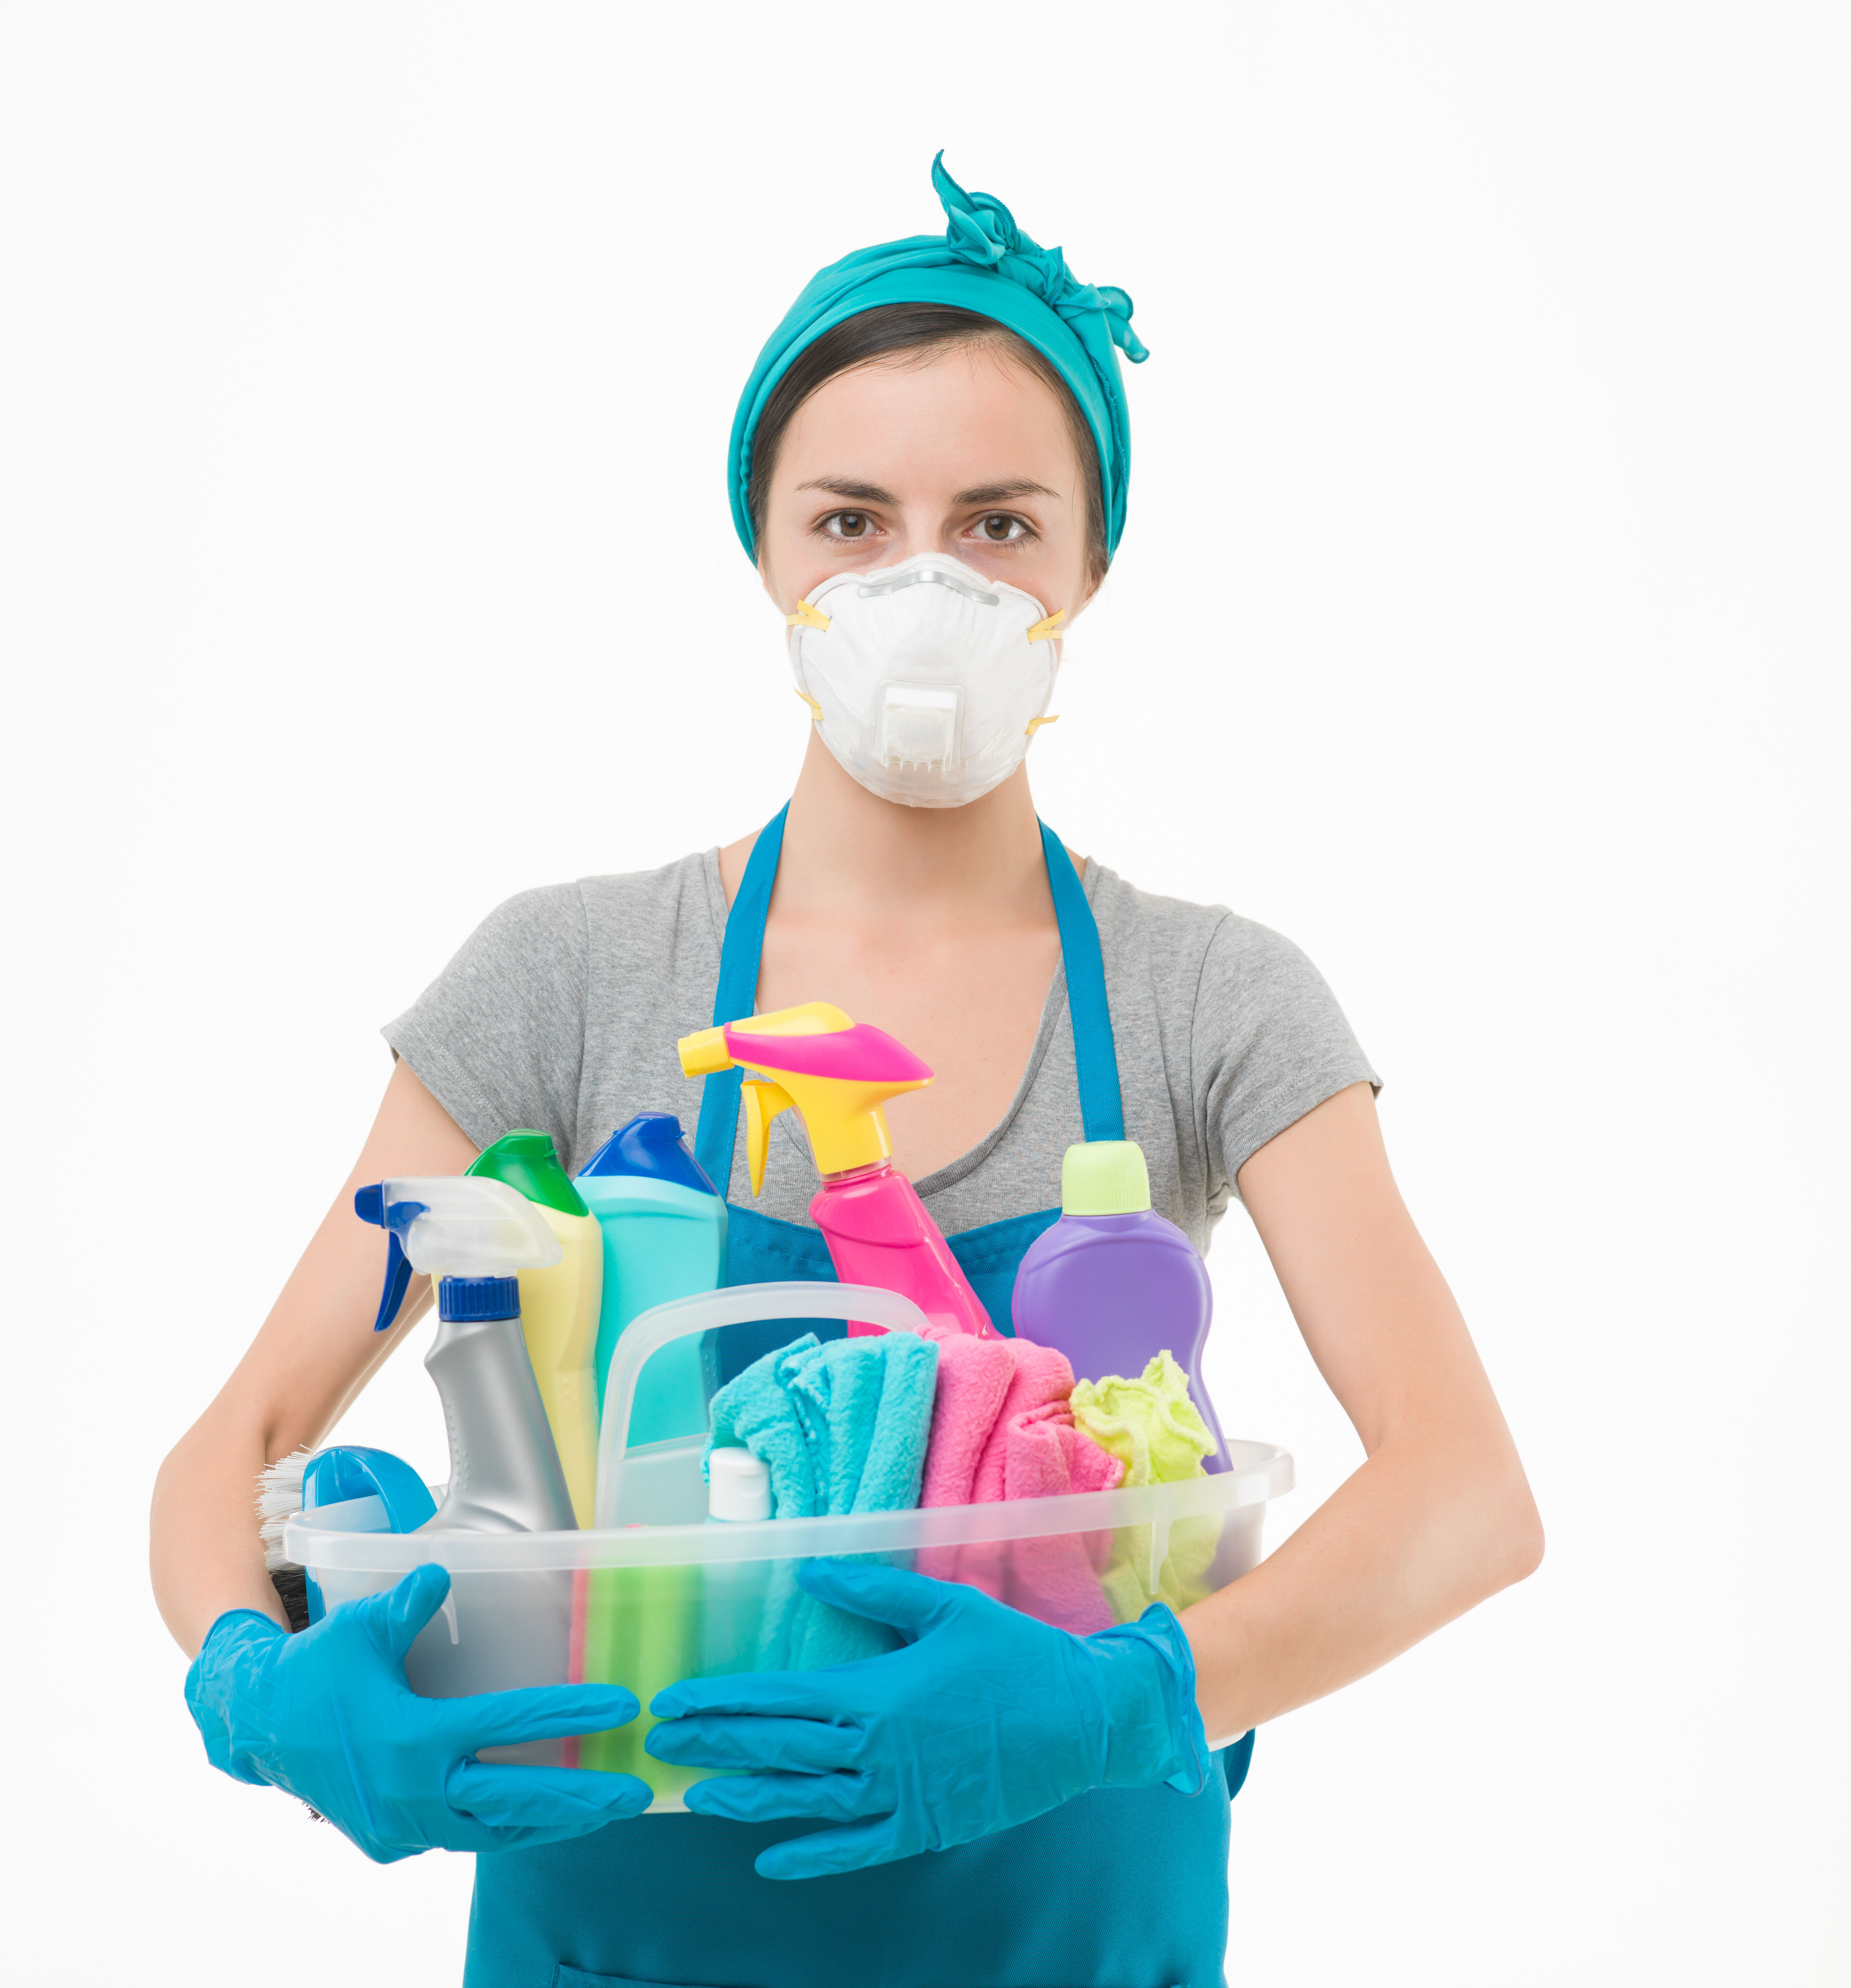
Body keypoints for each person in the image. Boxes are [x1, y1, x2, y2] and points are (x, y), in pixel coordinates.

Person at [154, 155, 1542, 1986]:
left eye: (994, 525)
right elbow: (240, 1448)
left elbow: (1462, 1494)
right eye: (848, 521)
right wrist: (256, 1683)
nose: (920, 585)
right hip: (619, 1942)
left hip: (1073, 1937)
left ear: (1088, 560)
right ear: (764, 551)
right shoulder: (565, 978)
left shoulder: (1205, 997)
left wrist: (1129, 1699)